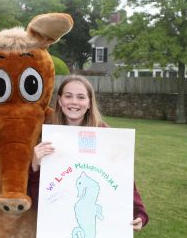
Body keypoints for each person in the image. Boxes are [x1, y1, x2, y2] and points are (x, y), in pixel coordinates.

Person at [28, 75, 149, 231]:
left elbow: (122, 178)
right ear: (59, 100)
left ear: (89, 103)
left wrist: (139, 213)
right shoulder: (47, 138)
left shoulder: (106, 136)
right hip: (60, 226)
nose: (74, 102)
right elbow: (37, 199)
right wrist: (34, 166)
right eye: (68, 96)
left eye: (81, 97)